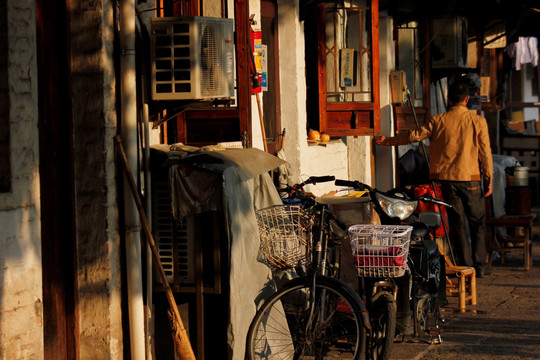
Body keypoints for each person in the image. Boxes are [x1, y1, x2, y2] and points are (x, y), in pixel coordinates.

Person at [375, 82, 493, 277]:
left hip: (446, 179)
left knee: (457, 223)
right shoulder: (477, 121)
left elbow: (414, 136)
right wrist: (488, 178)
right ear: (466, 99)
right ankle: (480, 266)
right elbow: (485, 153)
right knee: (477, 222)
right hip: (470, 178)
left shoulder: (438, 120)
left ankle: (465, 266)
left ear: (449, 99)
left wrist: (388, 141)